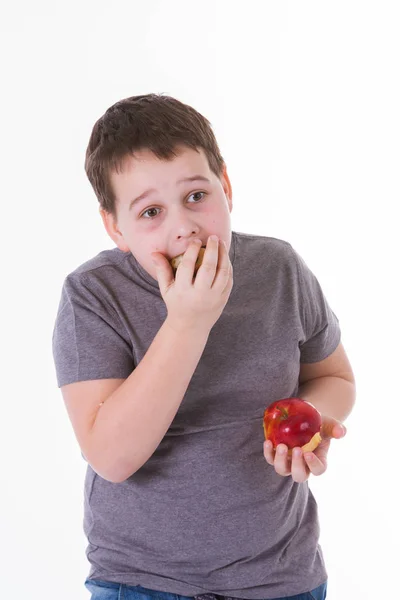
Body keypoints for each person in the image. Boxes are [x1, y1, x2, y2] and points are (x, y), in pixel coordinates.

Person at [52, 93, 356, 600]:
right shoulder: (93, 295)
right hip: (142, 582)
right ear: (115, 227)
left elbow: (335, 377)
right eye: (150, 211)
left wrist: (311, 418)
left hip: (281, 579)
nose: (184, 226)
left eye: (196, 196)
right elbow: (110, 456)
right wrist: (188, 323)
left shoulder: (279, 269)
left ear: (226, 187)